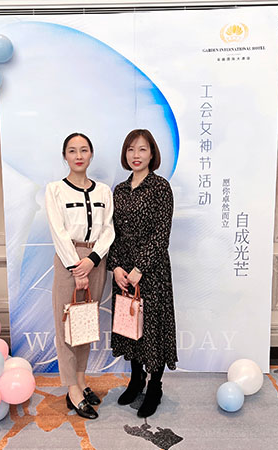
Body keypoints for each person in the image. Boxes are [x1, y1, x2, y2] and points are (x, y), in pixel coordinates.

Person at [107, 129, 178, 418]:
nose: (136, 155)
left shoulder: (160, 188)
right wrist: (116, 268)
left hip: (153, 272)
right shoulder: (120, 190)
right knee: (130, 327)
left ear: (152, 154)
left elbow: (162, 236)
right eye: (131, 150)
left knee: (153, 330)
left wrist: (139, 269)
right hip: (124, 273)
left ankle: (154, 387)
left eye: (142, 149)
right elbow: (113, 233)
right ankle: (135, 381)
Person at [45, 132, 115, 420]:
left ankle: (82, 379)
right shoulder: (55, 190)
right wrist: (77, 267)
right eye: (72, 150)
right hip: (68, 259)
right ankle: (72, 389)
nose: (78, 155)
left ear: (91, 154)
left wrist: (93, 260)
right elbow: (58, 232)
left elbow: (108, 229)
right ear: (65, 156)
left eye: (83, 150)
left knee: (85, 324)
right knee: (66, 328)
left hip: (96, 259)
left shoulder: (104, 191)